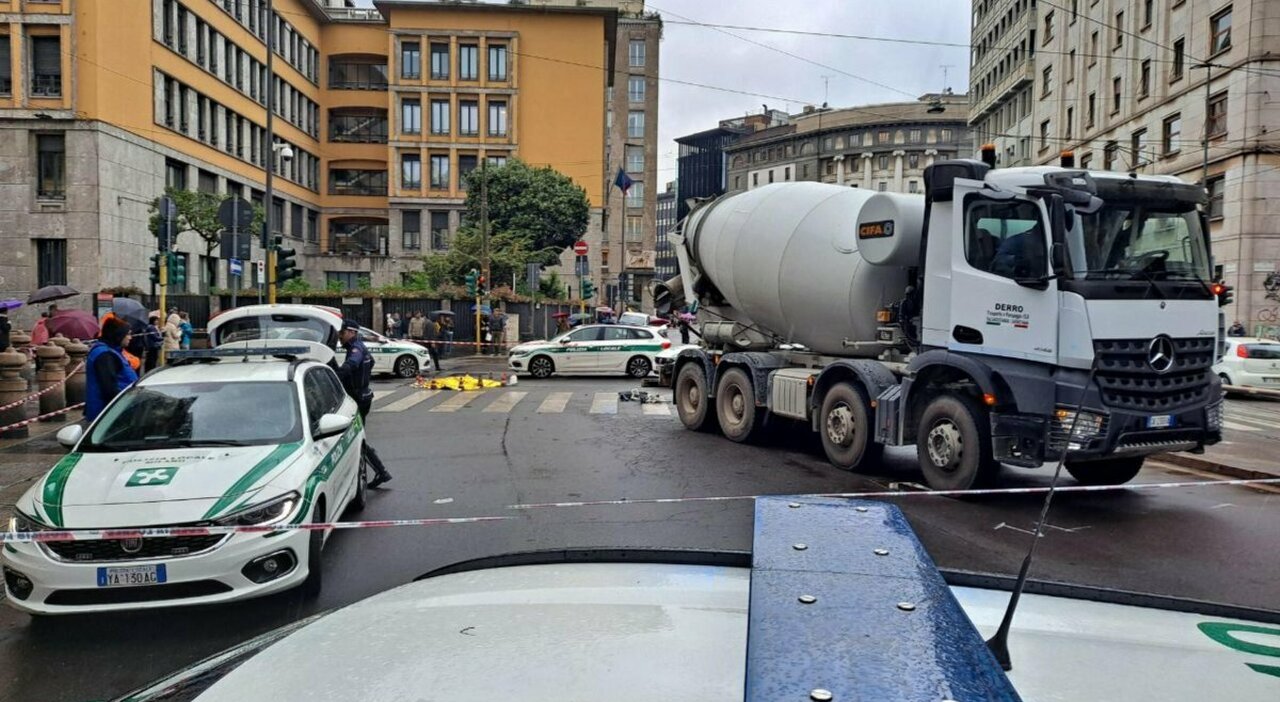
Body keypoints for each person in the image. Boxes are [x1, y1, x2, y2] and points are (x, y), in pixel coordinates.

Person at [336, 319, 392, 488]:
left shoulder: (356, 348)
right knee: (357, 437)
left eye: (342, 332)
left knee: (357, 438)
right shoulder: (360, 346)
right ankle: (380, 472)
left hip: (359, 399)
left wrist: (337, 376)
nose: (340, 336)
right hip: (363, 396)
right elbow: (371, 362)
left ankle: (381, 472)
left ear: (351, 332)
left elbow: (351, 365)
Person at [84, 317, 138, 423]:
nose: (130, 338)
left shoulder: (112, 351)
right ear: (118, 335)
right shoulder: (105, 355)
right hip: (109, 415)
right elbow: (109, 389)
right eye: (128, 334)